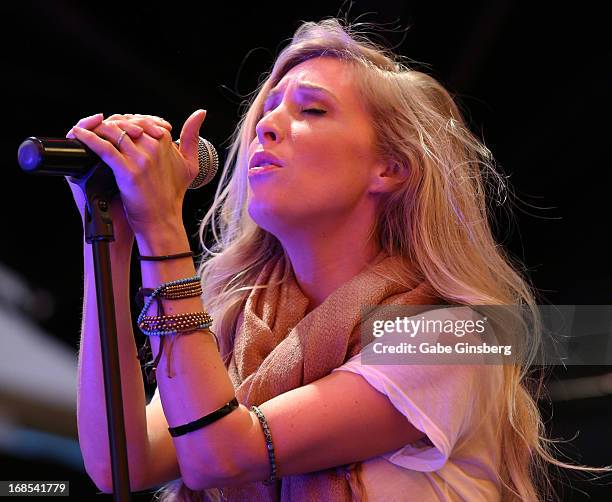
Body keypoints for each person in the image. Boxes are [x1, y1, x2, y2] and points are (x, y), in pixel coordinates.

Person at [68, 18, 610, 502]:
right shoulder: (234, 325)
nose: (267, 126)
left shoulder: (459, 335)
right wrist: (111, 236)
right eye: (267, 111)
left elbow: (221, 455)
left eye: (311, 109)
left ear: (390, 169)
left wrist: (164, 227)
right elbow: (122, 462)